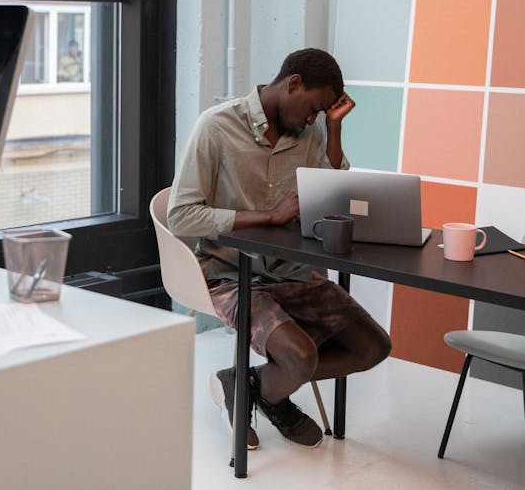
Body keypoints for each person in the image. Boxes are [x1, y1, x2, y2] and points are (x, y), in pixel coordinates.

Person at [167, 48, 392, 450]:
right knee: (301, 357)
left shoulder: (312, 134)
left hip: (293, 271)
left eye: (320, 115)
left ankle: (253, 385)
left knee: (374, 347)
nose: (312, 120)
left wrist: (334, 128)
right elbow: (181, 216)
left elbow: (330, 194)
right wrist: (266, 216)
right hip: (229, 273)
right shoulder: (216, 127)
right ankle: (276, 390)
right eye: (312, 109)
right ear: (293, 84)